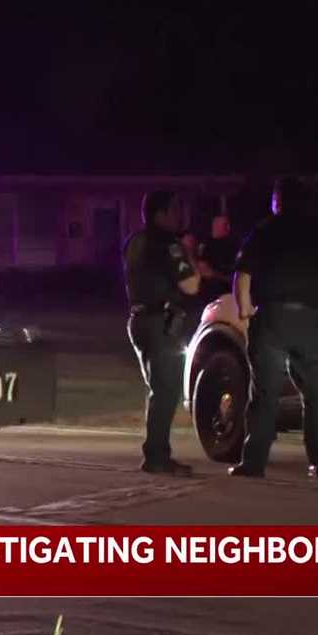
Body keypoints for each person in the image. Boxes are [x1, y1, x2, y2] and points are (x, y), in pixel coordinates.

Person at [228, 177, 318, 479]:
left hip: (272, 318)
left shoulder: (264, 231)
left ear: (277, 202)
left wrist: (245, 309)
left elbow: (243, 274)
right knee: (315, 394)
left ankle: (254, 462)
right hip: (311, 319)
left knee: (265, 393)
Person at [123, 190, 201, 476]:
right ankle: (156, 456)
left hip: (138, 320)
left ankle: (156, 452)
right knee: (166, 391)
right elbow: (191, 284)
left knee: (157, 389)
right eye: (174, 210)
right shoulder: (169, 244)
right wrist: (189, 254)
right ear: (161, 213)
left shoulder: (134, 241)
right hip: (161, 322)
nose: (178, 216)